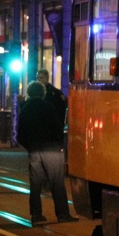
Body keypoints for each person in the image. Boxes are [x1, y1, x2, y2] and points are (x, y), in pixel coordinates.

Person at [17, 81, 77, 224]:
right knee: (57, 183)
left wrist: (30, 146)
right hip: (51, 149)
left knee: (35, 185)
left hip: (34, 149)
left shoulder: (25, 109)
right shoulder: (48, 107)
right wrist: (58, 142)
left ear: (29, 93)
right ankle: (62, 214)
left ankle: (36, 215)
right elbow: (57, 129)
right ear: (43, 93)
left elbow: (20, 135)